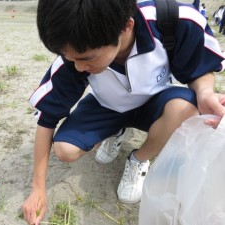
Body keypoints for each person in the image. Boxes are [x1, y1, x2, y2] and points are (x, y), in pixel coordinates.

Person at [23, 0, 225, 224]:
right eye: (69, 58)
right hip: (107, 105)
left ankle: (138, 159)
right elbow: (47, 120)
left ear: (127, 26)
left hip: (154, 101)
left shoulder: (175, 21)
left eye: (87, 58)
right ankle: (116, 131)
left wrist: (205, 92)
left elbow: (200, 69)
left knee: (187, 108)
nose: (78, 67)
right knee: (64, 150)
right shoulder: (74, 54)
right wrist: (37, 188)